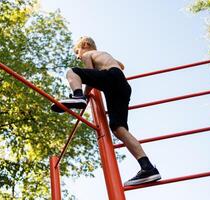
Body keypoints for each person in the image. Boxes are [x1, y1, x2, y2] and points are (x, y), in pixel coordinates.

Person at [51, 36, 161, 186]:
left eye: (77, 52)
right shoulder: (105, 55)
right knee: (118, 128)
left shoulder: (87, 54)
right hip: (122, 86)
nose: (78, 57)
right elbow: (121, 66)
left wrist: (83, 95)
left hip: (111, 79)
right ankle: (147, 167)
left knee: (72, 72)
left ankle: (77, 96)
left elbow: (89, 75)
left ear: (85, 45)